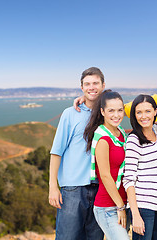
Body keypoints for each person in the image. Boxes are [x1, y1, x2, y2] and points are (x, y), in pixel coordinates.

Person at [49, 67, 105, 240]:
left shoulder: (108, 113)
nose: (91, 87)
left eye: (95, 83)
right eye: (87, 84)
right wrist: (52, 186)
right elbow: (56, 152)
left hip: (101, 190)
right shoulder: (70, 113)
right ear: (82, 87)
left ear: (103, 85)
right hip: (72, 189)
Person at [84, 90, 129, 240]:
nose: (116, 115)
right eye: (111, 111)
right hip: (108, 207)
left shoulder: (120, 133)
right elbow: (105, 175)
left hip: (122, 203)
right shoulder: (103, 138)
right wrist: (120, 207)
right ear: (102, 111)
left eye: (120, 110)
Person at [122, 94, 157, 240]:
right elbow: (128, 179)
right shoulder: (134, 140)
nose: (143, 116)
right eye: (139, 112)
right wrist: (135, 214)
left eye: (147, 111)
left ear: (155, 111)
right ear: (134, 115)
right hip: (142, 207)